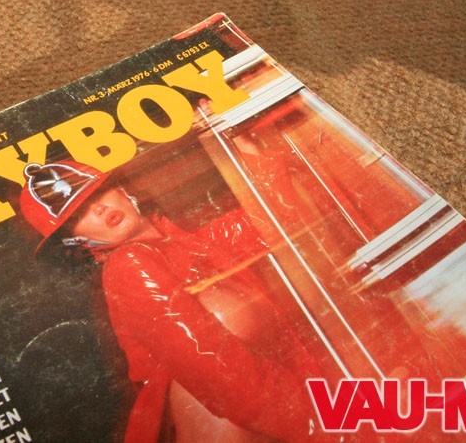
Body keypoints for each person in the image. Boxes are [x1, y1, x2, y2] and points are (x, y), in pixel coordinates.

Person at [19, 160, 327, 443]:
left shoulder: (185, 243)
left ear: (122, 190)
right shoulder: (128, 263)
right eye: (78, 215)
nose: (98, 209)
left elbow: (273, 219)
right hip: (228, 418)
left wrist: (254, 151)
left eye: (97, 194)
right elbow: (213, 367)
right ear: (76, 242)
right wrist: (323, 428)